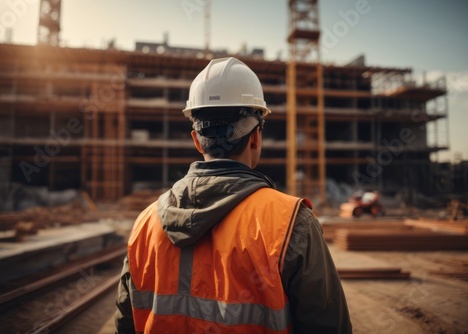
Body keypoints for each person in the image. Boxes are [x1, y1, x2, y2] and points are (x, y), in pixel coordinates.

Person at [115, 57, 352, 333]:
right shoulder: (291, 223)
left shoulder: (145, 223)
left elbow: (125, 323)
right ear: (255, 137)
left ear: (196, 139)